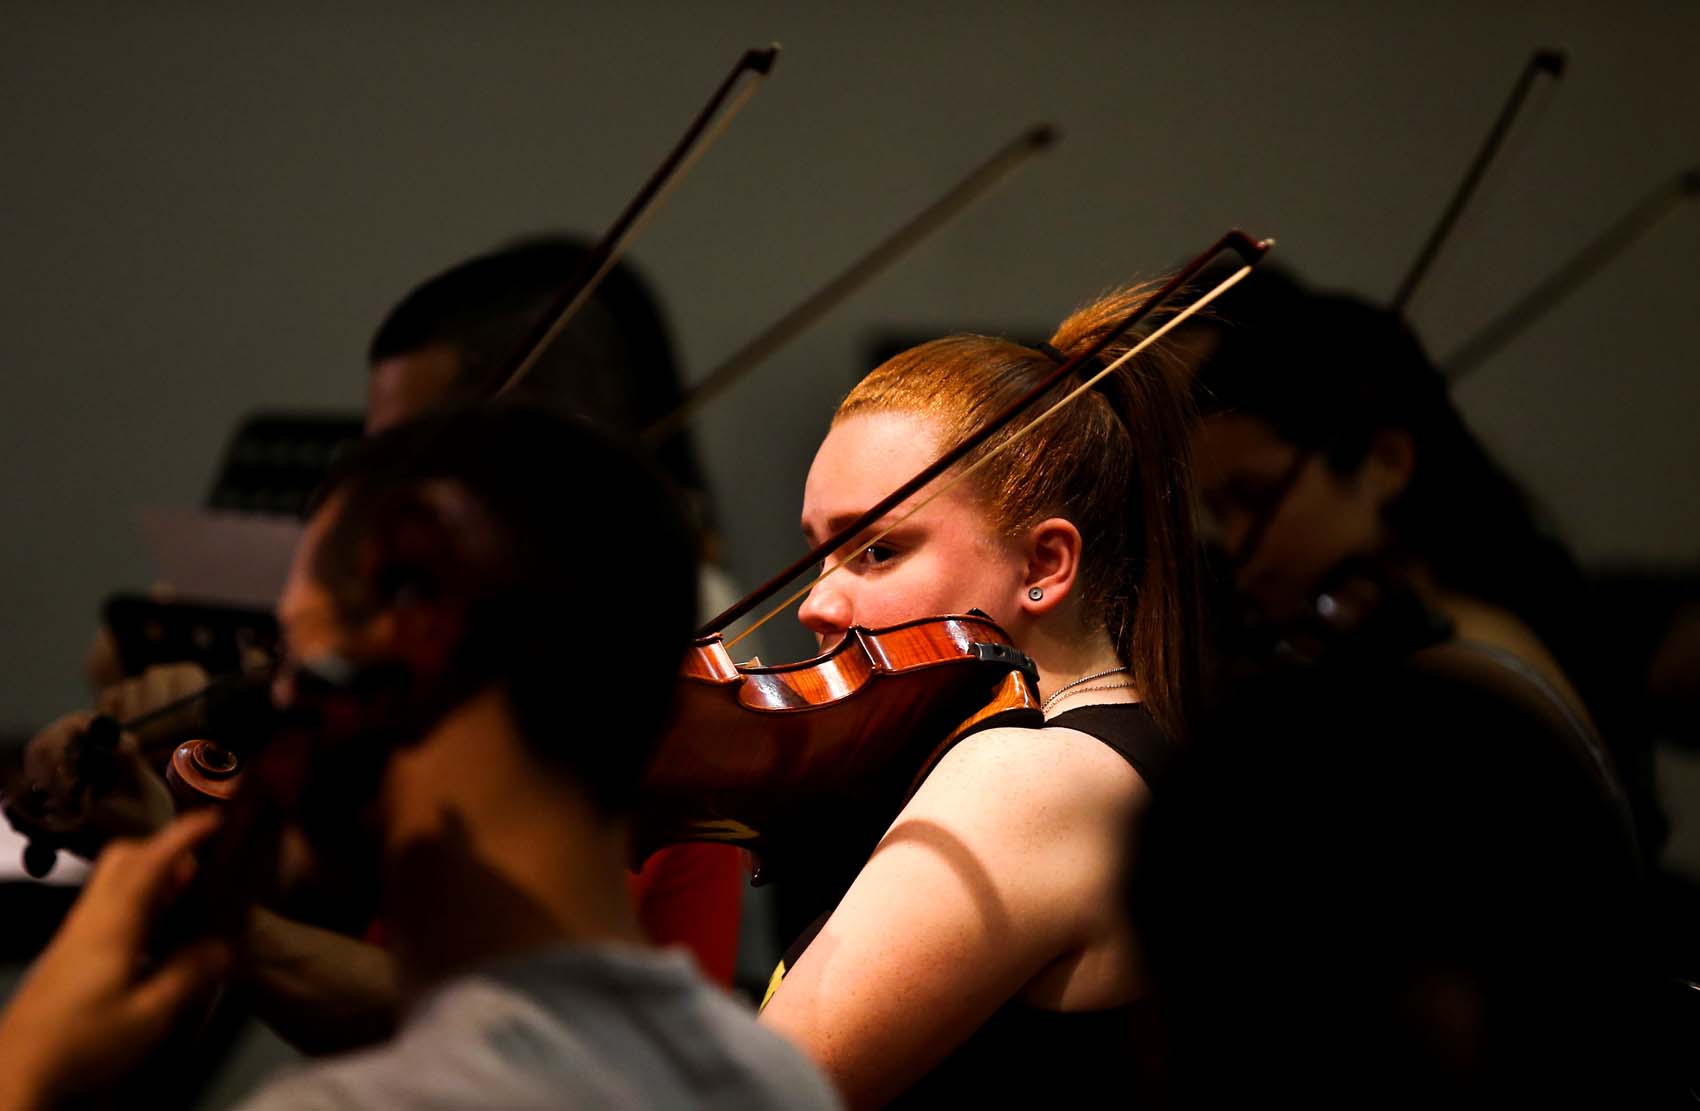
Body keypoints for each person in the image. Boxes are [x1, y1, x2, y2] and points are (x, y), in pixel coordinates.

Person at [0, 406, 839, 1110]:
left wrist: (25, 1069)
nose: (280, 703)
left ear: (414, 646)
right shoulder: (779, 1081)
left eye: (297, 653)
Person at [756, 281, 1204, 1106]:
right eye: (818, 553)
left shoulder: (1033, 777)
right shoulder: (1123, 752)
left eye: (879, 551)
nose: (819, 602)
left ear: (1042, 565)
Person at [1178, 267, 1665, 855]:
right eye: (1216, 512)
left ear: (1386, 461)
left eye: (1254, 499)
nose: (1233, 545)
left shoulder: (1468, 667)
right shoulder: (1414, 638)